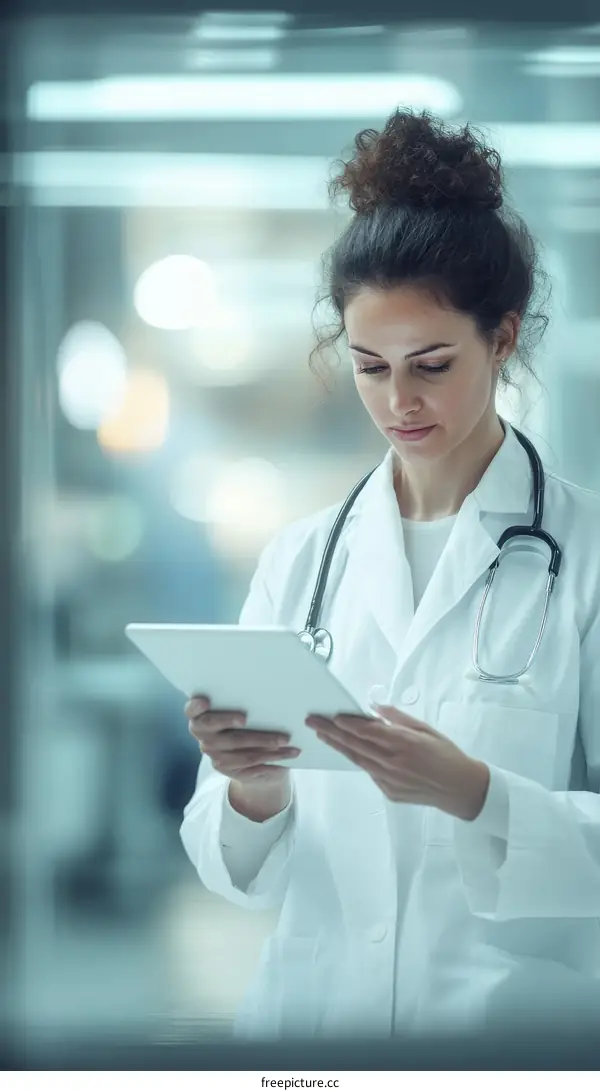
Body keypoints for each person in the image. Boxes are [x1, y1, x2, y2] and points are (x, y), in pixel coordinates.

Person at [179, 109, 600, 1039]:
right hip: (313, 1033)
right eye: (370, 367)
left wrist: (475, 793)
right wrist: (252, 788)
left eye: (432, 364)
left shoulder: (588, 555)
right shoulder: (300, 560)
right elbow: (235, 866)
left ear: (503, 338)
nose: (399, 401)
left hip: (508, 1038)